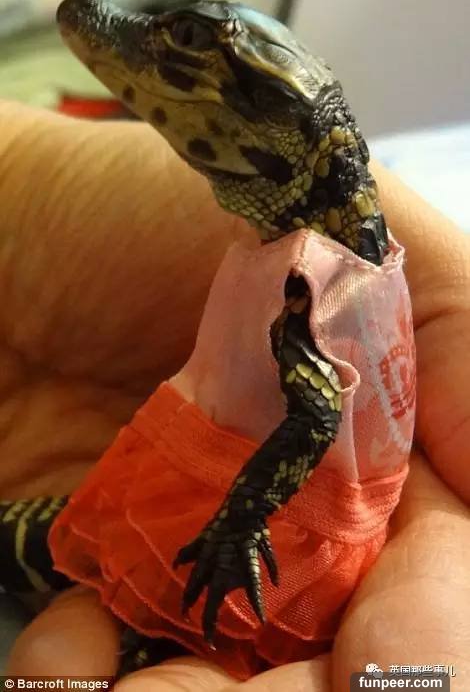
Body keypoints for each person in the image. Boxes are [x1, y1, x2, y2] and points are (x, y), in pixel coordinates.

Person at [2, 101, 469, 690]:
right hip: (210, 496)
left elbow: (320, 416)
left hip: (269, 529)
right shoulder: (310, 264)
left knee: (405, 672)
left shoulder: (342, 281)